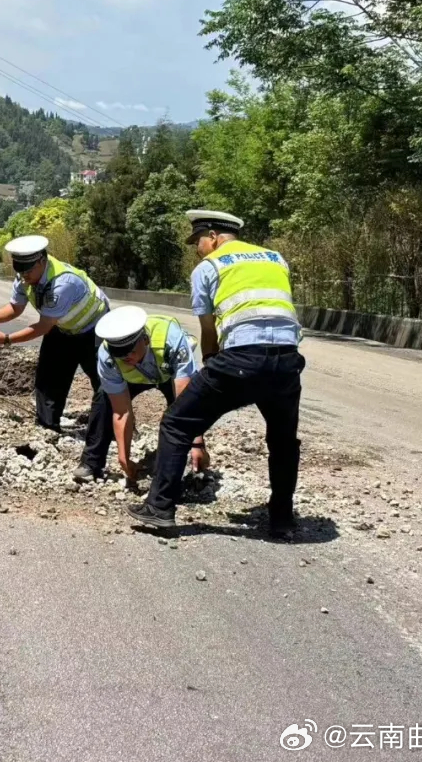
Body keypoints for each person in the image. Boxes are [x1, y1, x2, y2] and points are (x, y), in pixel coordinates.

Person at [125, 210, 306, 540]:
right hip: (287, 360)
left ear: (213, 236)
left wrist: (210, 362)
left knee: (177, 422)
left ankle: (160, 507)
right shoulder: (275, 258)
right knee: (283, 441)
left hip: (240, 358)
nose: (197, 249)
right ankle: (282, 519)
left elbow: (208, 329)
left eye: (198, 241)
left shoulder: (208, 267)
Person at [0, 235, 110, 432]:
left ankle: (107, 431)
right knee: (49, 377)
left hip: (95, 329)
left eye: (29, 270)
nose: (24, 277)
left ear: (42, 261)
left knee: (104, 381)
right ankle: (47, 427)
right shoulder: (24, 277)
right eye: (20, 271)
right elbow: (15, 308)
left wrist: (6, 339)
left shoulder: (63, 283)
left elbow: (42, 327)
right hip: (62, 326)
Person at [74, 306, 211, 483]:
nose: (126, 358)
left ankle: (189, 463)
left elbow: (187, 403)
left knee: (180, 411)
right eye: (120, 355)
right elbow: (121, 412)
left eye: (130, 351)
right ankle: (91, 463)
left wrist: (197, 442)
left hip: (169, 373)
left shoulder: (171, 339)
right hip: (134, 377)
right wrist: (124, 458)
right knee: (103, 400)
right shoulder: (107, 355)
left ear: (145, 340)